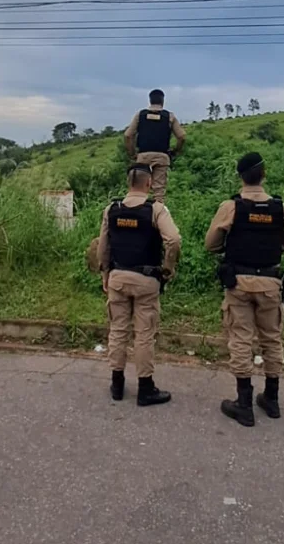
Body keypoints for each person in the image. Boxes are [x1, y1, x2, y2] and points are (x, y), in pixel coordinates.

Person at [204, 152, 284, 427]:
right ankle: (272, 399)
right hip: (270, 283)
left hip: (239, 283)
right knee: (272, 339)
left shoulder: (231, 206)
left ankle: (244, 404)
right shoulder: (279, 207)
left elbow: (211, 244)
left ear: (241, 177)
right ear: (263, 175)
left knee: (241, 340)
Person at [96, 163, 182, 406]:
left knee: (118, 330)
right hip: (146, 280)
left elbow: (103, 247)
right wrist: (167, 268)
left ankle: (117, 385)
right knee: (144, 334)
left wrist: (105, 274)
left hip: (118, 278)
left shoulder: (112, 209)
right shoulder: (156, 209)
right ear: (149, 183)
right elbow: (174, 240)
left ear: (128, 183)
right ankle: (145, 388)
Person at [123, 89, 186, 204]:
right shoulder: (169, 116)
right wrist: (175, 151)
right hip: (162, 156)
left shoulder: (140, 115)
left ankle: (137, 210)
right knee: (159, 191)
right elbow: (181, 136)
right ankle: (158, 213)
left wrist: (132, 154)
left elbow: (128, 135)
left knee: (139, 188)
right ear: (163, 101)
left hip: (143, 155)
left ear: (150, 100)